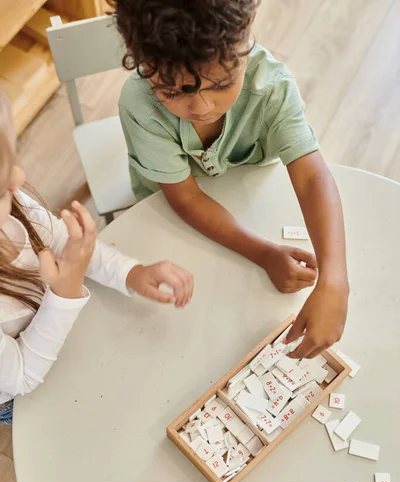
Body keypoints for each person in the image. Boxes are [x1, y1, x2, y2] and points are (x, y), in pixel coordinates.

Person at [112, 0, 349, 360]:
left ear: (247, 39)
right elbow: (186, 200)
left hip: (244, 202)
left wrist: (335, 280)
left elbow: (312, 176)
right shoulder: (140, 105)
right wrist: (265, 253)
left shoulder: (271, 86)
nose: (202, 107)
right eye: (173, 92)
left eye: (222, 84)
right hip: (168, 219)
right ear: (144, 67)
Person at [0, 89, 194, 424]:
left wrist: (131, 273)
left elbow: (60, 239)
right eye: (1, 185)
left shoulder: (14, 208)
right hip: (20, 395)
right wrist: (64, 292)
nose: (19, 178)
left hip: (59, 334)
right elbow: (22, 378)